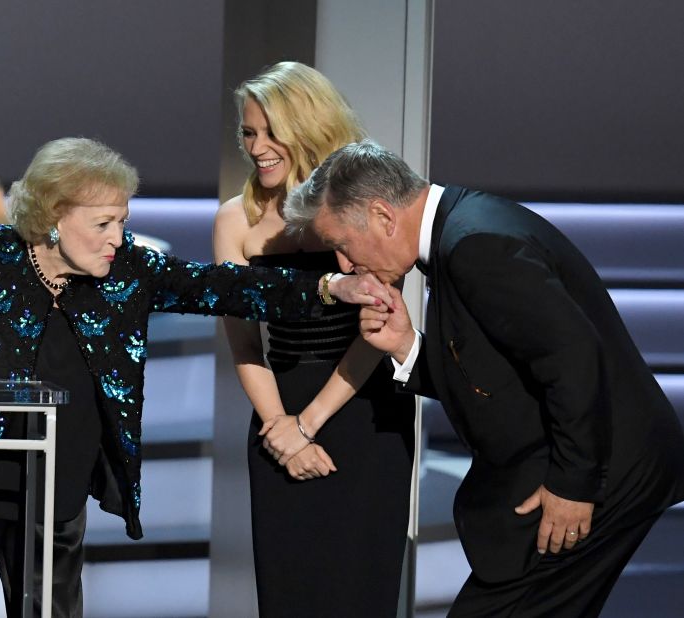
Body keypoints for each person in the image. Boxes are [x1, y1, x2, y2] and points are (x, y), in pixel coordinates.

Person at [0, 137, 384, 617]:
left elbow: (224, 287)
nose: (117, 238)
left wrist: (329, 289)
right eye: (104, 223)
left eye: (122, 222)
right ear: (54, 216)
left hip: (52, 500)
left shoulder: (130, 270)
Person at [282, 139, 684, 617]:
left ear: (383, 216)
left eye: (341, 246)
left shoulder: (477, 245)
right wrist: (407, 347)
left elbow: (574, 357)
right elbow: (497, 379)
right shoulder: (463, 230)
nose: (344, 266)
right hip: (592, 466)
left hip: (604, 474)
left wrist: (575, 485)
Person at [213, 62, 415, 616]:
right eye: (248, 133)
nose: (257, 148)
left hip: (363, 410)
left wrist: (308, 424)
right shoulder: (236, 219)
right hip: (277, 415)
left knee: (358, 590)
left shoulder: (365, 206)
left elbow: (378, 329)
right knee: (289, 591)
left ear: (309, 126)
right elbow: (244, 342)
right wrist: (281, 428)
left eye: (270, 131)